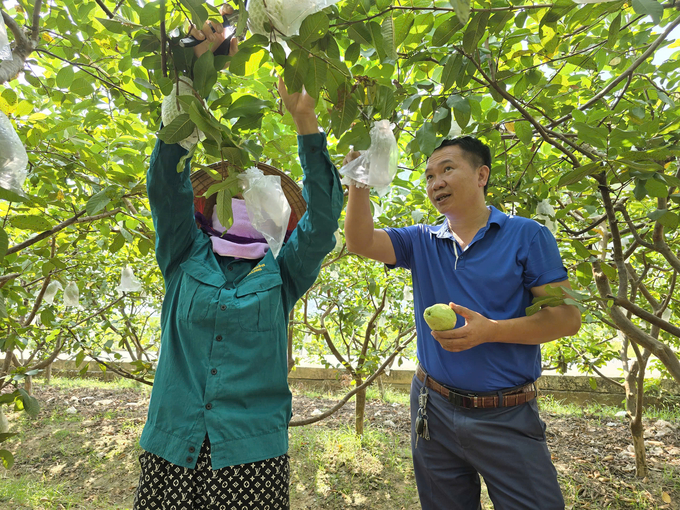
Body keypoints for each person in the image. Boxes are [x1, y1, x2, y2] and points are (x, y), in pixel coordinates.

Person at [133, 11, 343, 510]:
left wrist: (305, 122)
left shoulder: (282, 272)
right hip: (172, 443)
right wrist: (190, 82)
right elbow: (166, 186)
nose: (244, 218)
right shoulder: (183, 255)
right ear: (210, 210)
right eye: (234, 205)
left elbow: (323, 222)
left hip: (251, 453)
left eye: (257, 211)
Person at [343, 136, 581, 510]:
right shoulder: (421, 239)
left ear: (482, 174)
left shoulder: (526, 235)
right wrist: (358, 182)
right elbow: (359, 241)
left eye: (448, 169)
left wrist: (491, 330)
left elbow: (567, 318)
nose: (436, 182)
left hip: (506, 414)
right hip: (432, 406)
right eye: (429, 176)